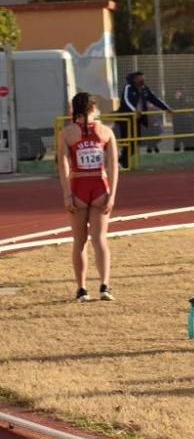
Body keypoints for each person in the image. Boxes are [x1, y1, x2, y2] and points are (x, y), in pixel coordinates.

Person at [57, 92, 119, 302]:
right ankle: (105, 286)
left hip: (78, 187)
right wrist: (112, 194)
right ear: (93, 108)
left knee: (79, 241)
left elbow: (63, 166)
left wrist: (67, 194)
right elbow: (113, 166)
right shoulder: (106, 131)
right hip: (100, 186)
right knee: (100, 239)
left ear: (74, 110)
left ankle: (82, 288)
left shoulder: (67, 133)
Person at [119, 71, 173, 161]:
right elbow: (126, 100)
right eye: (140, 78)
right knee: (128, 141)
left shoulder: (144, 88)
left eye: (143, 77)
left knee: (136, 141)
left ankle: (122, 161)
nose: (143, 79)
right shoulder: (128, 87)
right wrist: (134, 111)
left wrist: (166, 108)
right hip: (126, 118)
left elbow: (154, 98)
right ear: (135, 79)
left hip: (138, 119)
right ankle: (123, 161)